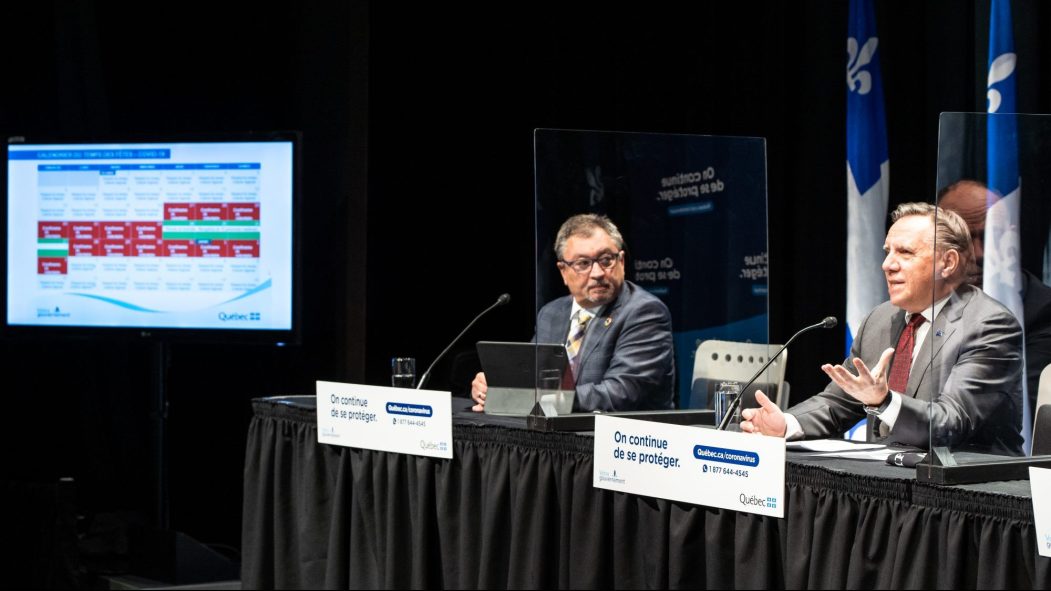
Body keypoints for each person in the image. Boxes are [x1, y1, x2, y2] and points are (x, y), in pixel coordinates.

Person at [741, 202, 1024, 455]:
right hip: (886, 485)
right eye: (888, 252)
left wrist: (884, 401)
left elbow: (951, 422)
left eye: (905, 252)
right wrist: (786, 423)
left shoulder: (988, 324)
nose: (887, 265)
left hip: (968, 491)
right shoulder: (880, 319)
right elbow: (840, 402)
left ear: (947, 263)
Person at [471, 213, 675, 412]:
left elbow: (619, 393)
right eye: (583, 263)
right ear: (563, 271)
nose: (597, 273)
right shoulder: (551, 313)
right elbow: (529, 378)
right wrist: (496, 387)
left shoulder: (644, 312)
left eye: (606, 260)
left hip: (627, 439)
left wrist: (533, 398)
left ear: (621, 261)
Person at [937, 179, 1051, 421]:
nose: (979, 253)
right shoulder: (919, 300)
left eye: (991, 236)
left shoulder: (1040, 310)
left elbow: (1006, 409)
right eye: (964, 240)